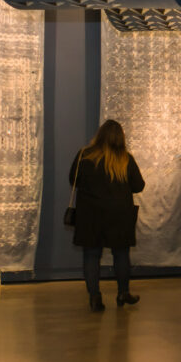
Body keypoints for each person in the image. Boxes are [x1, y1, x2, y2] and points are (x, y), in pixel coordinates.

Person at [69, 119, 145, 312]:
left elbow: (73, 180)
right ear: (121, 138)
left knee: (91, 256)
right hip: (120, 216)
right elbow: (139, 186)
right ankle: (123, 292)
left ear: (100, 135)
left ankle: (95, 297)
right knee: (121, 254)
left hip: (90, 216)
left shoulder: (84, 155)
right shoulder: (126, 159)